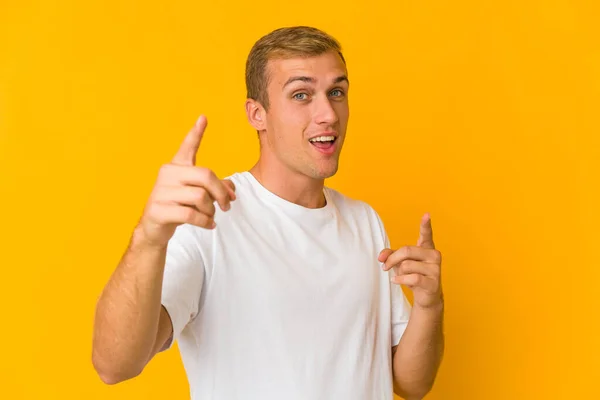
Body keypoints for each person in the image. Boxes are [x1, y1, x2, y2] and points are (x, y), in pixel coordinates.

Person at [92, 26, 445, 400]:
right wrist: (148, 240)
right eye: (301, 95)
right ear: (257, 114)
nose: (328, 113)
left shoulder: (364, 222)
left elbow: (410, 384)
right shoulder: (209, 218)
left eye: (336, 92)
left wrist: (429, 304)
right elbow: (114, 365)